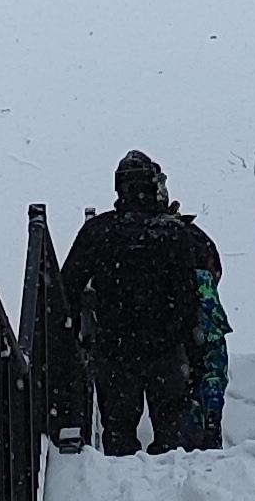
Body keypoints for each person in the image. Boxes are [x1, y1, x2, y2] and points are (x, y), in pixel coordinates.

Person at [62, 150, 224, 455]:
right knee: (172, 436)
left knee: (118, 433)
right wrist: (187, 339)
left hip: (115, 347)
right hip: (165, 348)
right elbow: (189, 295)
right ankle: (175, 493)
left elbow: (67, 286)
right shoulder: (176, 234)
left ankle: (120, 491)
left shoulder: (98, 232)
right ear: (154, 187)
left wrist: (75, 340)